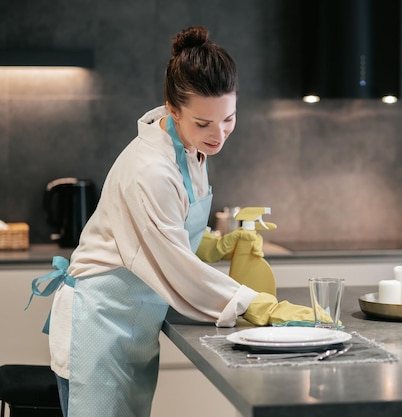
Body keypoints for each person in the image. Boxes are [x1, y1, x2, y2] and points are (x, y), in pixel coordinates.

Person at [28, 26, 316, 417]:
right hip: (101, 325)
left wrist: (213, 243)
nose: (219, 136)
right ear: (172, 108)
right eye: (204, 124)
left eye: (228, 118)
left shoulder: (190, 147)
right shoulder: (149, 170)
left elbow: (172, 237)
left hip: (134, 322)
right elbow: (175, 266)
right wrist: (256, 305)